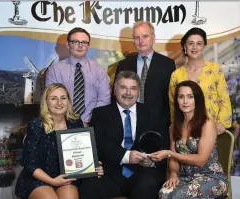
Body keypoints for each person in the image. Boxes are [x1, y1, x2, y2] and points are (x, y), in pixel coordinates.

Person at [79, 71, 166, 199]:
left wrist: (152, 161)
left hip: (142, 172)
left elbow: (162, 143)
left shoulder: (152, 113)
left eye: (133, 88)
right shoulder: (100, 113)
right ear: (114, 90)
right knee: (89, 187)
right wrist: (126, 156)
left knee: (148, 185)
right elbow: (99, 144)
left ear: (138, 92)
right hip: (110, 173)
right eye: (123, 87)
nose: (128, 93)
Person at [15, 83, 103, 199]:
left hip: (66, 177)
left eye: (63, 98)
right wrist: (52, 181)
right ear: (46, 102)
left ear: (68, 101)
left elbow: (81, 152)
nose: (59, 103)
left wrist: (93, 166)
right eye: (53, 99)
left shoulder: (75, 122)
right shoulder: (36, 125)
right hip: (38, 179)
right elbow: (30, 164)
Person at [149, 80, 228, 199]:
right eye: (181, 97)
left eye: (190, 97)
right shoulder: (174, 126)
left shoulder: (207, 124)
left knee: (178, 196)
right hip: (185, 177)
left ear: (197, 100)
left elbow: (201, 160)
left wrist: (170, 154)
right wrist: (174, 174)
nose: (185, 101)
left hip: (212, 177)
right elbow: (173, 160)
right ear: (176, 100)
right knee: (163, 194)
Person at [114, 21, 176, 149]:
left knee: (153, 168)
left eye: (145, 36)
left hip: (158, 129)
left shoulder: (168, 64)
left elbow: (170, 98)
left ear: (153, 38)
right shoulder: (123, 64)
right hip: (128, 127)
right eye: (137, 37)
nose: (141, 41)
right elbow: (115, 96)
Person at [169, 27, 232, 134]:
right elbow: (173, 105)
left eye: (199, 43)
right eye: (191, 43)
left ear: (203, 47)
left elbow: (224, 99)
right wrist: (176, 127)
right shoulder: (176, 75)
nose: (194, 47)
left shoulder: (215, 69)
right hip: (186, 132)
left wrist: (221, 123)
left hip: (213, 131)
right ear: (185, 46)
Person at [45, 27, 111, 127]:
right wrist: (69, 122)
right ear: (68, 44)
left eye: (84, 42)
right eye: (75, 42)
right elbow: (52, 100)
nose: (80, 46)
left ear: (88, 46)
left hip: (93, 125)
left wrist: (91, 119)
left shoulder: (99, 70)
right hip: (63, 125)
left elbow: (104, 99)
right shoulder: (54, 70)